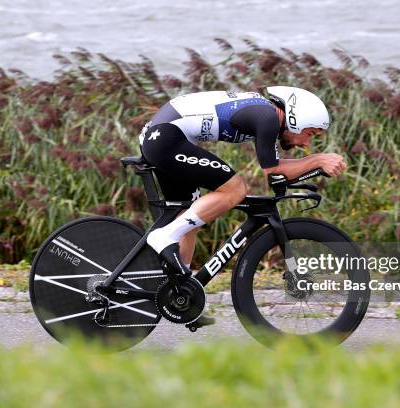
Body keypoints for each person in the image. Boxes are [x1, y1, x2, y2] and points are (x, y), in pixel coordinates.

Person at [140, 86, 347, 325]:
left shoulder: (265, 114)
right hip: (166, 138)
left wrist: (312, 164)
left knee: (189, 216)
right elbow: (273, 170)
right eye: (310, 133)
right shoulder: (267, 117)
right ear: (295, 120)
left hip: (164, 136)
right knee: (235, 189)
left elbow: (276, 167)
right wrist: (318, 160)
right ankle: (164, 237)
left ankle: (180, 293)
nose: (306, 143)